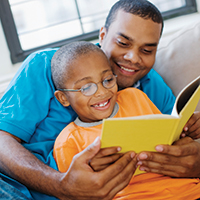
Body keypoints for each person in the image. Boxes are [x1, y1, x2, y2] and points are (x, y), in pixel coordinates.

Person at [0, 0, 199, 199]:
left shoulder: (150, 87)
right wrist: (61, 185)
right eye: (123, 43)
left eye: (147, 50)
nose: (133, 58)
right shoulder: (46, 66)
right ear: (103, 35)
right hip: (16, 187)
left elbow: (176, 141)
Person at [52, 41, 200, 200]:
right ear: (63, 98)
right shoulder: (68, 141)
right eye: (86, 88)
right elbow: (76, 192)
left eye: (107, 80)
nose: (102, 92)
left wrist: (185, 131)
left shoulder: (135, 97)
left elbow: (168, 139)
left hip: (189, 191)